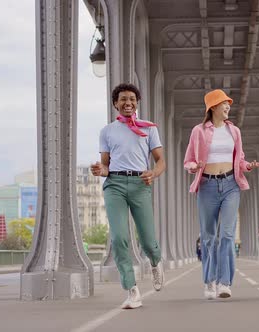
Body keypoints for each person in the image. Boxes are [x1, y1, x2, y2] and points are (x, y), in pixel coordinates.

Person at [91, 83, 165, 309]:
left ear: (137, 103)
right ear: (115, 104)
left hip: (140, 184)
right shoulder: (107, 131)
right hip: (115, 185)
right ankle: (132, 290)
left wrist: (153, 172)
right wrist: (99, 170)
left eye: (132, 99)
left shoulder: (149, 129)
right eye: (123, 99)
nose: (128, 103)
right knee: (119, 238)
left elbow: (161, 161)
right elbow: (106, 166)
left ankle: (155, 261)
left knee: (147, 240)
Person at [184, 89, 259, 300]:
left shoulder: (234, 131)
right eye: (224, 103)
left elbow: (240, 158)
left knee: (227, 235)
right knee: (209, 238)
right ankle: (209, 281)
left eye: (229, 103)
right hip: (207, 186)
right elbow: (188, 160)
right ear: (213, 107)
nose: (228, 107)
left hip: (230, 185)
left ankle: (224, 282)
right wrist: (195, 167)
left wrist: (248, 165)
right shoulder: (198, 131)